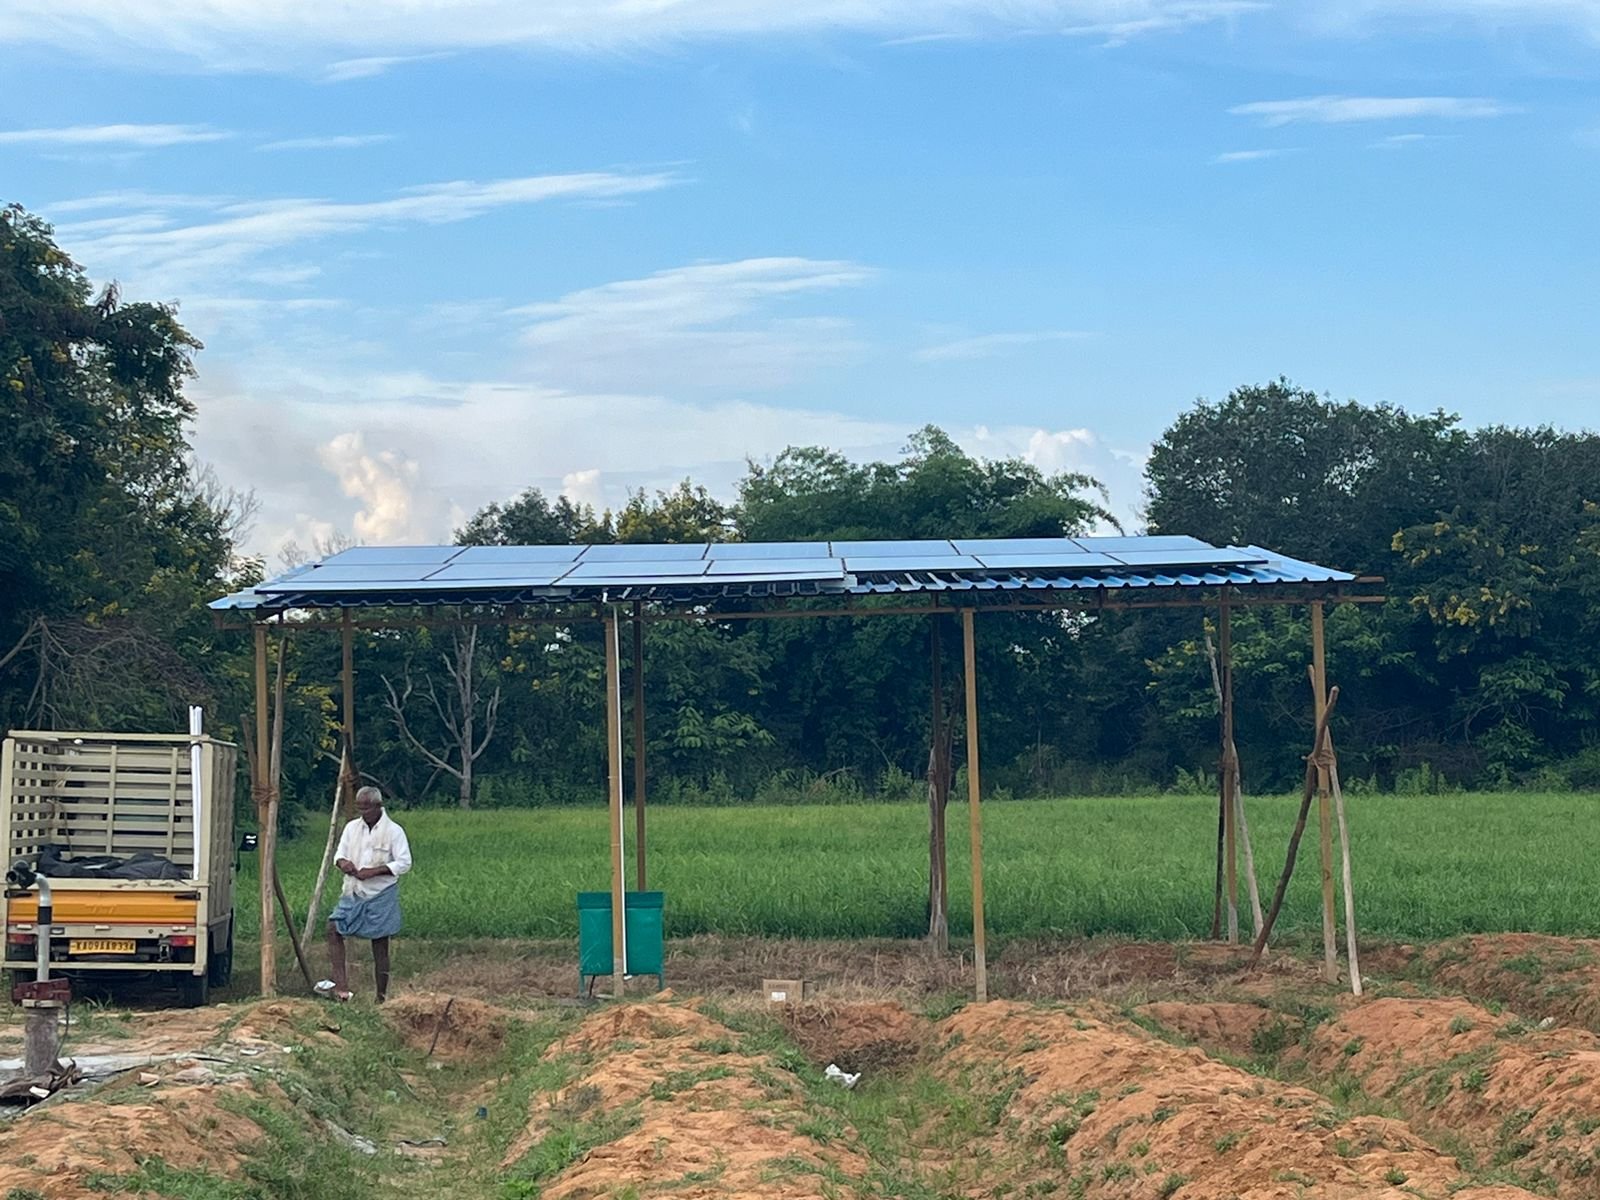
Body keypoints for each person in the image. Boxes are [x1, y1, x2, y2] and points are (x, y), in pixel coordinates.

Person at [320, 785, 411, 1003]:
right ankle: (341, 988)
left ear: (378, 806)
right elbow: (339, 854)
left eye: (367, 809)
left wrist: (375, 871)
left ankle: (381, 996)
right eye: (359, 809)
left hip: (380, 892)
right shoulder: (352, 828)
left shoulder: (394, 831)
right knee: (333, 929)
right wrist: (344, 864)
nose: (363, 813)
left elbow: (404, 862)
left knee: (380, 943)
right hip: (353, 891)